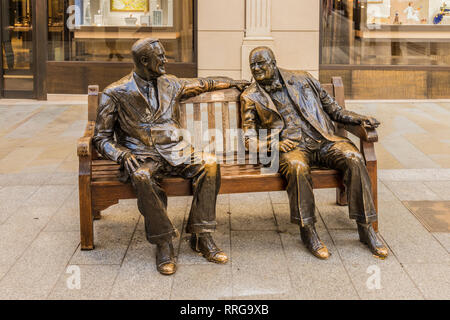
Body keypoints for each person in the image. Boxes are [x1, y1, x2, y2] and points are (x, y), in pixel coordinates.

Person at [93, 38, 249, 275]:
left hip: (177, 150)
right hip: (141, 155)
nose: (166, 60)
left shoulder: (171, 84)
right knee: (143, 177)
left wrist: (236, 83)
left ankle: (201, 235)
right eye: (161, 57)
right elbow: (100, 138)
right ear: (145, 61)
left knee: (209, 164)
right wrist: (121, 154)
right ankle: (163, 242)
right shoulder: (115, 93)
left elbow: (204, 84)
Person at [240, 46, 388, 259]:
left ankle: (366, 228)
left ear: (273, 63)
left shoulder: (303, 79)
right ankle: (307, 230)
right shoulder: (250, 96)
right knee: (297, 167)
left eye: (260, 63)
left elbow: (334, 110)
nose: (256, 69)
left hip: (323, 140)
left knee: (354, 158)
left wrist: (358, 118)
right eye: (252, 65)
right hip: (290, 147)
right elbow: (248, 137)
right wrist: (272, 146)